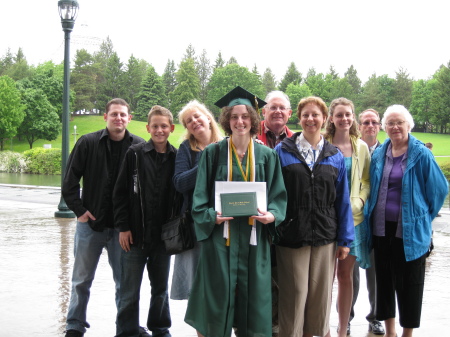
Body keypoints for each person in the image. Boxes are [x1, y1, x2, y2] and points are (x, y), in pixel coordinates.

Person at [184, 86, 287, 337]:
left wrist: (272, 215)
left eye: (244, 116)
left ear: (253, 120)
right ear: (226, 120)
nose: (239, 121)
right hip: (220, 239)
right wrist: (211, 217)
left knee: (255, 301)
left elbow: (278, 196)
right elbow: (198, 199)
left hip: (254, 238)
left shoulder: (266, 155)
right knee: (217, 298)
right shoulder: (212, 153)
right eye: (233, 117)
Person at [62, 98, 145, 337]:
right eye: (114, 114)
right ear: (105, 117)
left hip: (123, 230)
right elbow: (69, 182)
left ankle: (127, 327)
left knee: (125, 284)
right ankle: (74, 326)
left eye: (123, 115)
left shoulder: (138, 147)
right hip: (91, 226)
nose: (118, 118)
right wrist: (80, 211)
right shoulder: (87, 143)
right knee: (81, 280)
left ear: (129, 118)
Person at [365, 105, 448, 337]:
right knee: (385, 282)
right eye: (390, 123)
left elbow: (439, 191)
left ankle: (407, 334)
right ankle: (390, 332)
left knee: (410, 284)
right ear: (385, 127)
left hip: (411, 231)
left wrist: (422, 217)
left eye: (399, 122)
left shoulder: (421, 154)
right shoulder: (380, 153)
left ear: (408, 125)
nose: (394, 127)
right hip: (381, 229)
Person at [274, 96, 354, 337]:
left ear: (324, 119)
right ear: (299, 118)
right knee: (295, 293)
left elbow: (342, 200)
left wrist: (345, 240)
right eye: (306, 115)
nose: (310, 119)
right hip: (292, 234)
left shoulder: (334, 155)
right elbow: (274, 194)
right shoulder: (282, 151)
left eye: (315, 115)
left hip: (325, 235)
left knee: (319, 296)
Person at [113, 105, 178, 337]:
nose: (159, 130)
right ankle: (126, 331)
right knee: (129, 290)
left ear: (171, 128)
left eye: (164, 126)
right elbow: (120, 194)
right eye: (155, 126)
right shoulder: (135, 154)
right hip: (135, 236)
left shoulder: (176, 156)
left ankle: (160, 329)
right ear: (147, 128)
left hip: (163, 238)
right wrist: (123, 228)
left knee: (160, 289)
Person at [323, 98, 371, 337]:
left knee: (345, 277)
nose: (344, 119)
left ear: (353, 117)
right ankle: (323, 329)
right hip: (325, 221)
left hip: (354, 221)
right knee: (325, 279)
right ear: (331, 118)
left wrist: (360, 200)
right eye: (339, 115)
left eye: (348, 114)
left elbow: (366, 181)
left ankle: (343, 329)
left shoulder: (360, 147)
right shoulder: (323, 145)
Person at [170, 100, 222, 301]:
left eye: (197, 116)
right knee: (196, 289)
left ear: (208, 117)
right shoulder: (186, 149)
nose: (194, 122)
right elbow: (179, 183)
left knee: (220, 284)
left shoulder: (228, 143)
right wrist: (206, 162)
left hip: (224, 223)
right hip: (195, 225)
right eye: (188, 121)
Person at [258, 90, 294, 337]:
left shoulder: (298, 141)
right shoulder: (249, 136)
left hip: (289, 221)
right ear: (264, 111)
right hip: (256, 221)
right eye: (273, 107)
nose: (278, 111)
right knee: (260, 278)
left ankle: (282, 327)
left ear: (290, 114)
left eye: (283, 108)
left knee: (286, 279)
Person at [351, 108, 385, 335]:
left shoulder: (388, 151)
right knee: (349, 274)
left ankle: (375, 316)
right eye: (366, 122)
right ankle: (347, 316)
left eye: (374, 122)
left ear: (379, 125)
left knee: (376, 273)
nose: (370, 125)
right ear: (360, 126)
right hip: (355, 219)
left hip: (379, 221)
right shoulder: (353, 149)